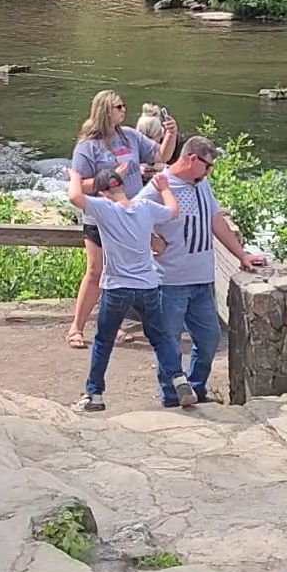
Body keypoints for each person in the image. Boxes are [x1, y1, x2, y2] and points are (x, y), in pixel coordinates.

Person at [144, 136, 268, 408]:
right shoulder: (158, 187)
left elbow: (215, 221)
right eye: (207, 166)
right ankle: (172, 396)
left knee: (209, 338)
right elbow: (129, 219)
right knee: (169, 342)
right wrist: (153, 242)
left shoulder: (202, 185)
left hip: (202, 280)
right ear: (191, 159)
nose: (209, 172)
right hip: (170, 282)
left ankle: (195, 388)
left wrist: (242, 255)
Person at [66, 166, 191, 411]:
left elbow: (74, 197)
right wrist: (164, 189)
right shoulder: (145, 208)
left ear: (102, 193)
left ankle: (95, 395)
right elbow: (173, 212)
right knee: (161, 338)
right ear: (122, 186)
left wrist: (74, 177)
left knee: (103, 341)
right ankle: (179, 379)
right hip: (147, 285)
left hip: (116, 287)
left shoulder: (104, 209)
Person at [65, 90, 176, 348]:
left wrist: (170, 134)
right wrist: (113, 174)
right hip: (101, 216)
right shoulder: (88, 145)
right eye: (118, 106)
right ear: (105, 110)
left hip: (132, 213)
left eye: (124, 106)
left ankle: (112, 324)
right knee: (96, 270)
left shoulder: (130, 136)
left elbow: (161, 156)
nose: (124, 110)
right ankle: (76, 328)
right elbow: (78, 184)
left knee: (130, 267)